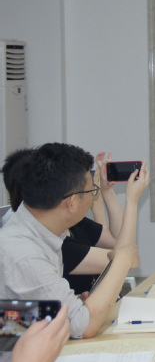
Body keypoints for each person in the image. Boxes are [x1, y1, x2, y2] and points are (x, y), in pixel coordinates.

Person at [0, 143, 145, 339]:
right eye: (91, 191)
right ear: (71, 202)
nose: (93, 195)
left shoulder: (40, 231)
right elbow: (83, 327)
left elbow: (15, 318)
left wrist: (69, 306)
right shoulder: (25, 252)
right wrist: (122, 258)